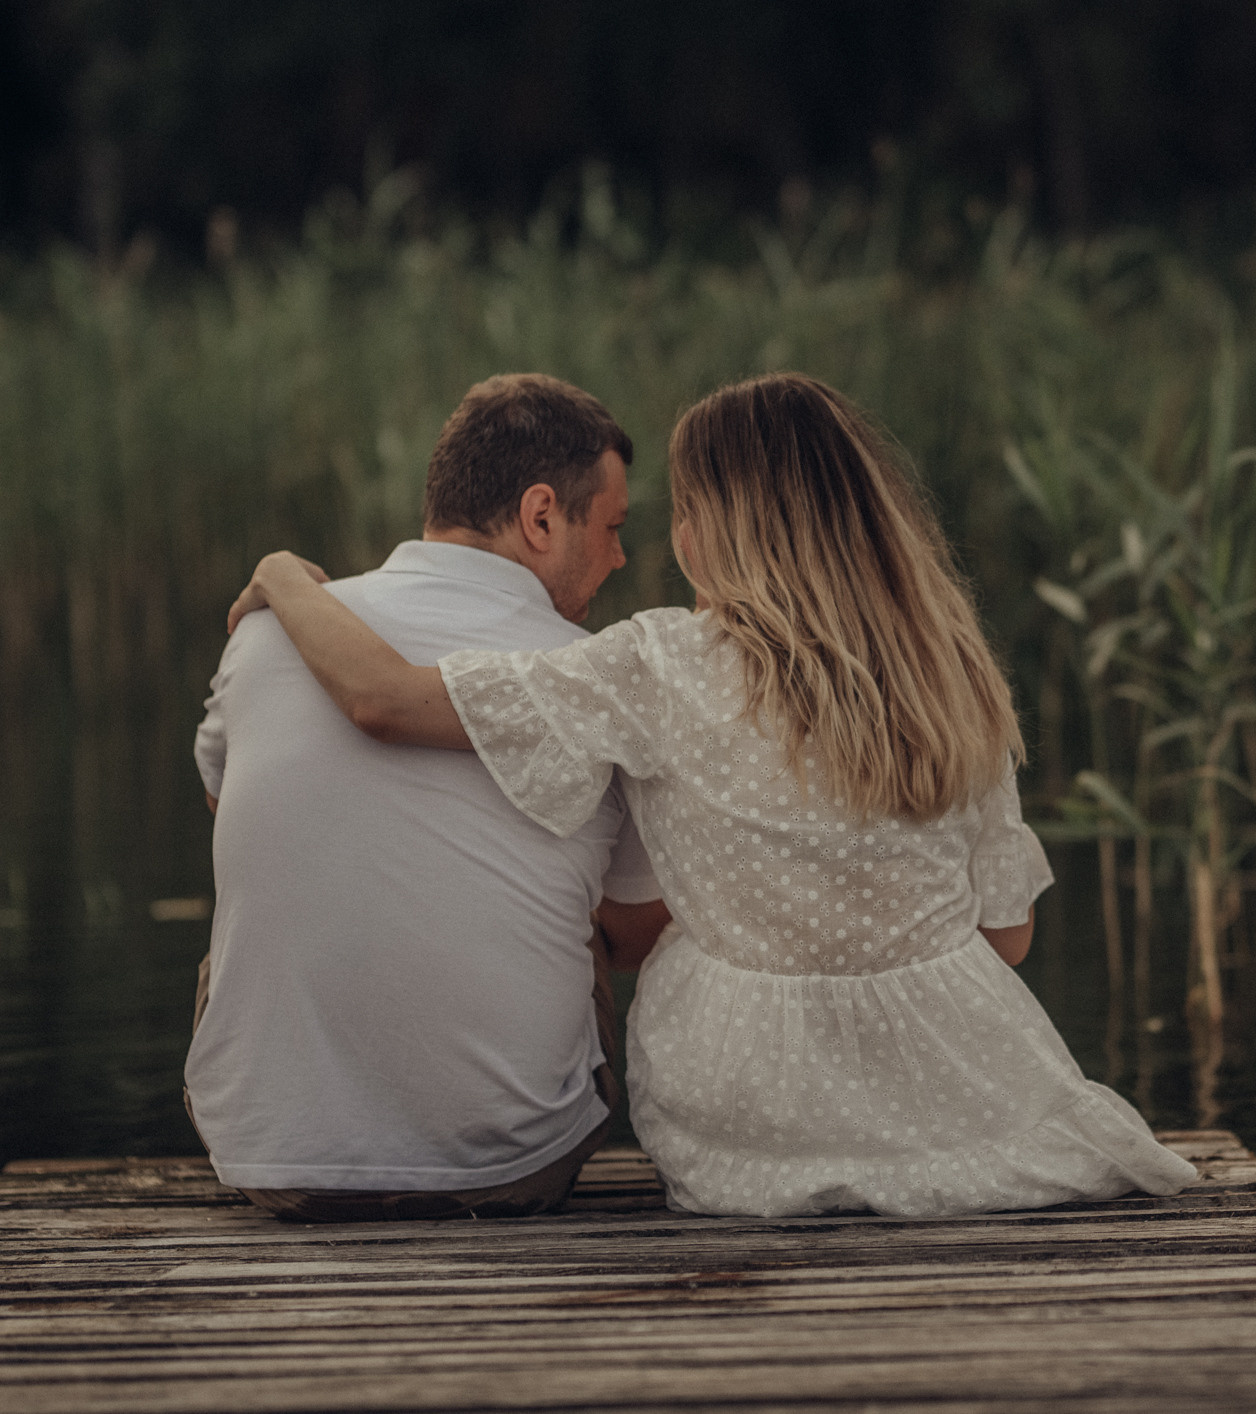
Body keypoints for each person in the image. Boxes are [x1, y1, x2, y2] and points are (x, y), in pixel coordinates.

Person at [227, 371, 1198, 1218]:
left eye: (682, 512)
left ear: (718, 531)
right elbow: (1007, 940)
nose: (665, 537)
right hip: (963, 1098)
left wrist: (282, 576)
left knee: (670, 923)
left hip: (748, 1124)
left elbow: (383, 698)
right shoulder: (955, 673)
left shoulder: (659, 664)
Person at [188, 372, 671, 1222]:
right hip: (511, 1164)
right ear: (541, 516)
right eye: (612, 527)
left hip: (272, 1163)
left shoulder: (266, 630)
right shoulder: (587, 673)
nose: (620, 557)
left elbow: (232, 815)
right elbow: (631, 933)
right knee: (582, 913)